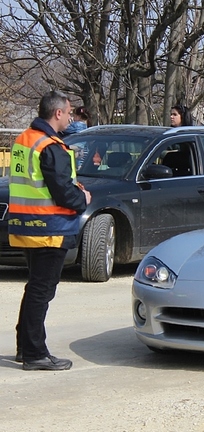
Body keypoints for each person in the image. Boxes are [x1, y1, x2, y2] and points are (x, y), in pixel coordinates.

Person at [8, 90, 92, 371]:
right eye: (68, 113)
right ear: (57, 113)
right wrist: (83, 199)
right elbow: (63, 191)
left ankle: (25, 347)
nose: (70, 117)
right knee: (41, 291)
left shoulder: (24, 139)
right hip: (49, 228)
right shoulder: (51, 146)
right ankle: (34, 353)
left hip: (25, 226)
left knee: (34, 288)